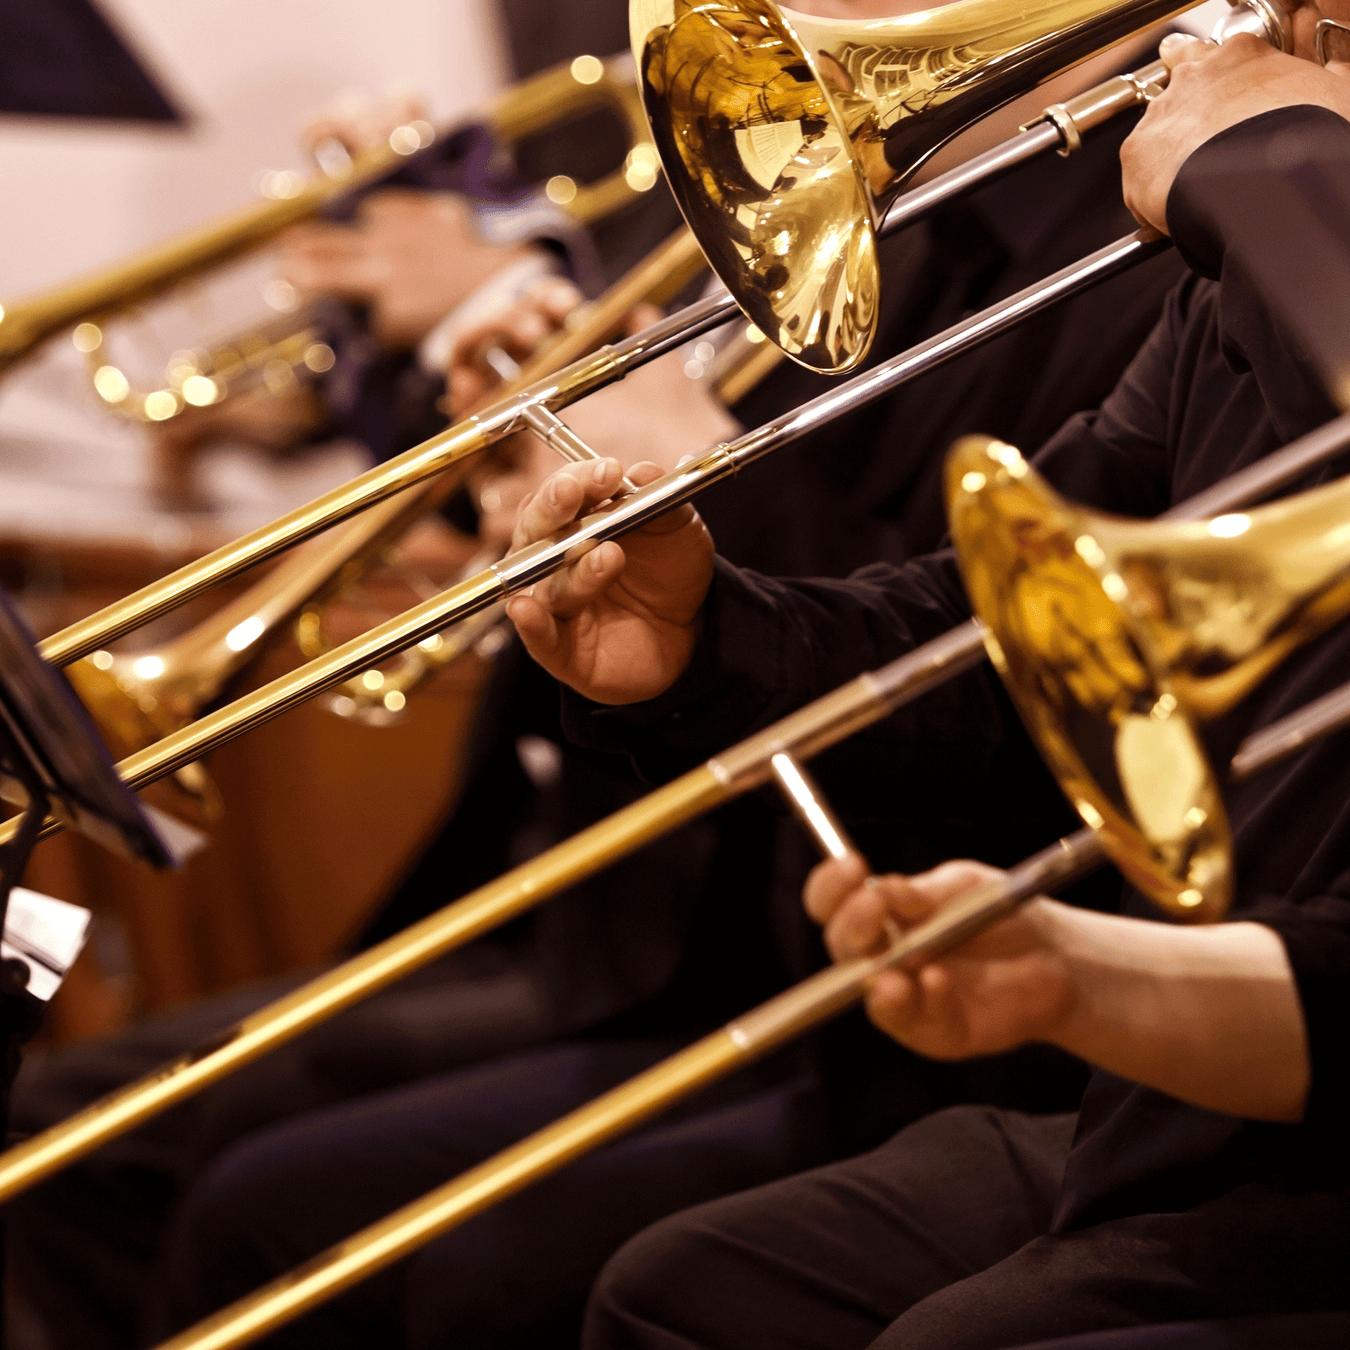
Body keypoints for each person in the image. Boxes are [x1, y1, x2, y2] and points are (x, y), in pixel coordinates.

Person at [9, 8, 1194, 1350]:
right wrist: (515, 456)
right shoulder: (827, 164)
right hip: (632, 859)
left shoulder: (1131, 229)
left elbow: (977, 635)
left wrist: (717, 469)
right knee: (131, 1139)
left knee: (279, 1195)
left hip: (834, 930)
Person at [483, 24, 1350, 1349]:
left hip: (1298, 1120)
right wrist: (707, 637)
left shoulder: (1273, 208)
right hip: (1175, 1114)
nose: (1253, 29)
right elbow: (991, 637)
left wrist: (1280, 168)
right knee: (690, 1292)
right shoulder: (1232, 283)